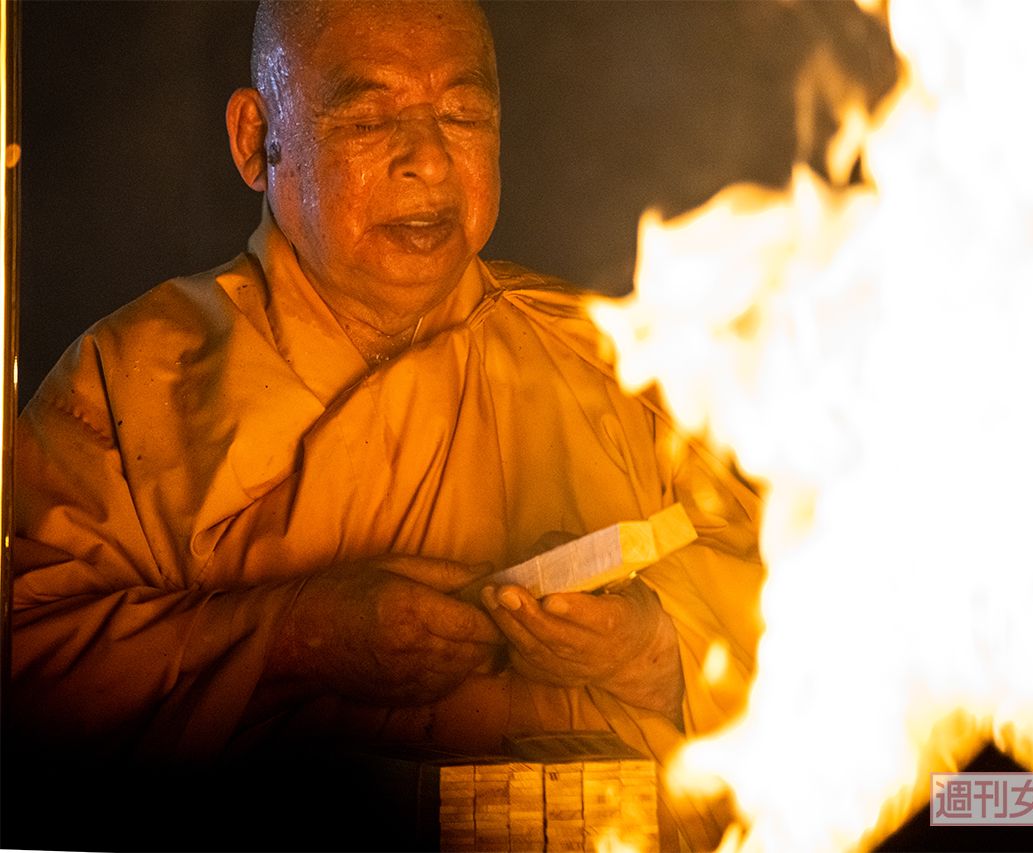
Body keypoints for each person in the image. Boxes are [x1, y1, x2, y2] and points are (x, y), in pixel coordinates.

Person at [8, 1, 762, 848]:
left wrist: (651, 651)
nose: (430, 161)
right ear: (257, 139)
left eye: (463, 115)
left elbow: (823, 630)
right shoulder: (133, 382)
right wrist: (293, 636)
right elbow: (27, 695)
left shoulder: (618, 362)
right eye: (370, 118)